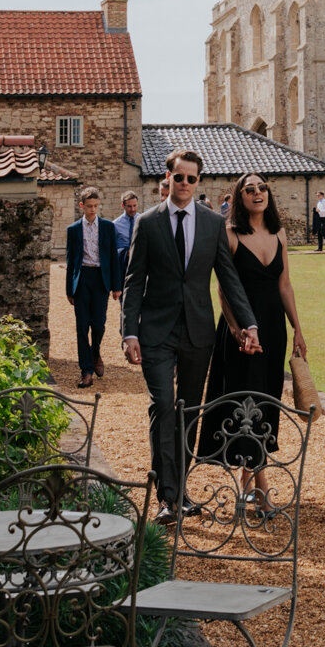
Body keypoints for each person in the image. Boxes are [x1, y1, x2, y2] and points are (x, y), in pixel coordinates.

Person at [121, 149, 260, 519]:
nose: (184, 184)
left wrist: (249, 324)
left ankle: (179, 492)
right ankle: (168, 497)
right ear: (167, 180)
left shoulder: (214, 223)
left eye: (191, 178)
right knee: (164, 405)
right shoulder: (148, 223)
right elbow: (134, 283)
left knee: (189, 411)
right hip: (156, 331)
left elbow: (228, 279)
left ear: (199, 181)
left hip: (198, 332)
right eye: (178, 178)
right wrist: (128, 333)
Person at [198, 174, 309, 501]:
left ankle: (249, 481)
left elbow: (284, 285)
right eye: (250, 190)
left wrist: (297, 329)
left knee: (266, 401)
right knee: (244, 402)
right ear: (239, 197)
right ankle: (260, 488)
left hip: (272, 329)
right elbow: (222, 289)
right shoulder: (229, 235)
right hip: (241, 333)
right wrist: (236, 330)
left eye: (262, 188)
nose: (258, 193)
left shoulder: (279, 234)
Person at [63, 187, 122, 387]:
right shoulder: (73, 230)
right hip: (82, 279)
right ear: (82, 206)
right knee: (81, 327)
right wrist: (69, 290)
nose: (92, 210)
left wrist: (116, 286)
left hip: (101, 279)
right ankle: (86, 370)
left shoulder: (107, 227)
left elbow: (113, 258)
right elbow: (70, 261)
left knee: (98, 324)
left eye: (96, 206)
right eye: (89, 206)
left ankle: (96, 352)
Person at [114, 190, 141, 259]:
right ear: (123, 205)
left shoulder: (143, 221)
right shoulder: (115, 225)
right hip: (122, 263)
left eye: (135, 205)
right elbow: (112, 249)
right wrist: (124, 253)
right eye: (129, 206)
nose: (133, 209)